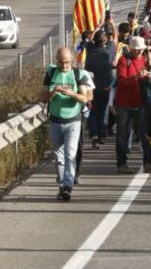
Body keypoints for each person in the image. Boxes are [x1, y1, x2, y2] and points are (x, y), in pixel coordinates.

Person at [44, 47, 93, 201]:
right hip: (55, 120)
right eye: (61, 62)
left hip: (73, 121)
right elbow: (43, 95)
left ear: (72, 61)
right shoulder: (51, 72)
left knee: (70, 154)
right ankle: (61, 185)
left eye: (67, 63)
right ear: (56, 60)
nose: (64, 66)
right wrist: (54, 92)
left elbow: (85, 98)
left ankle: (68, 186)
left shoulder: (79, 74)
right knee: (58, 156)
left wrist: (71, 93)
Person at [112, 36, 151, 174]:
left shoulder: (145, 60)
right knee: (123, 134)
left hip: (141, 102)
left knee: (145, 133)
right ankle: (122, 163)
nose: (138, 52)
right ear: (130, 48)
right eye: (136, 49)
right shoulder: (124, 61)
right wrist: (136, 77)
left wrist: (150, 72)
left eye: (140, 49)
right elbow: (122, 81)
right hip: (125, 103)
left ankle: (148, 162)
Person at [82, 30, 115, 149]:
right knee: (103, 112)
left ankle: (94, 135)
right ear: (105, 40)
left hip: (90, 88)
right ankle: (102, 135)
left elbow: (89, 40)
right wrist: (110, 25)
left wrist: (97, 26)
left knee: (92, 112)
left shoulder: (90, 49)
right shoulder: (108, 51)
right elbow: (114, 39)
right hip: (105, 87)